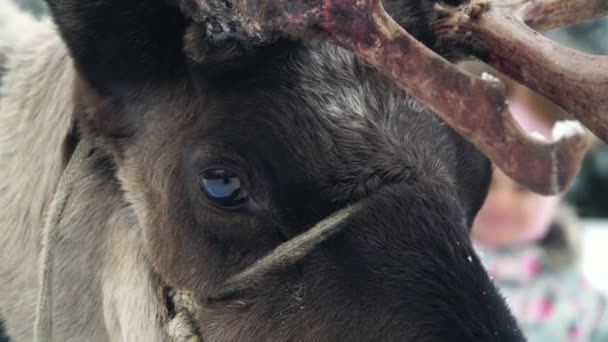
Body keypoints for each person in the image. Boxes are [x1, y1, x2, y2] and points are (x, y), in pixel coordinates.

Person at [466, 62, 608, 341]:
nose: (501, 201)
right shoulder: (415, 284)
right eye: (486, 180)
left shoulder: (583, 307)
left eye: (524, 187)